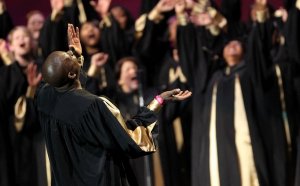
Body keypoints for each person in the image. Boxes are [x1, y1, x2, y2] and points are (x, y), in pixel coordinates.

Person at [35, 23, 192, 186]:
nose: (70, 53)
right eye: (68, 57)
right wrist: (158, 101)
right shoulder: (93, 106)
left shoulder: (44, 99)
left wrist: (75, 55)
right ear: (72, 73)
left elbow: (57, 81)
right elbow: (132, 139)